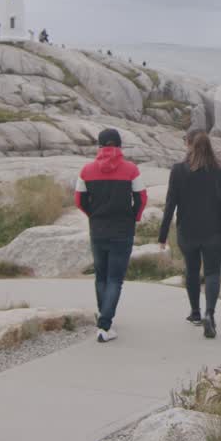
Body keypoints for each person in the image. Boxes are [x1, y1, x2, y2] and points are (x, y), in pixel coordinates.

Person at [158, 131, 221, 338]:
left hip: (187, 231)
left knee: (191, 271)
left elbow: (170, 204)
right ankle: (210, 313)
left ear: (189, 145)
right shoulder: (219, 171)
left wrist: (162, 235)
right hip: (215, 232)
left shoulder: (178, 170)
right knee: (212, 273)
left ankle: (195, 313)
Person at [75, 128, 147, 343]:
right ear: (119, 146)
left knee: (101, 276)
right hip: (122, 229)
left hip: (98, 229)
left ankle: (104, 314)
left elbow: (79, 200)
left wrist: (93, 215)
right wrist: (134, 217)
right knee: (115, 278)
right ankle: (105, 324)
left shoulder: (86, 170)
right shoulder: (131, 170)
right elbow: (141, 198)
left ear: (99, 146)